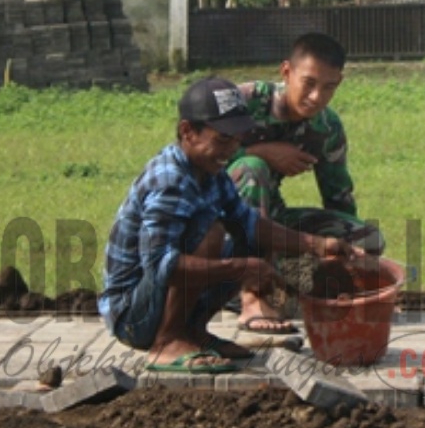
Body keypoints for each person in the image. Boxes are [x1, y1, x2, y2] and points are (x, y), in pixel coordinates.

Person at [98, 77, 365, 373]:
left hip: (154, 302)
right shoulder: (170, 181)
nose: (232, 149)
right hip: (132, 318)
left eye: (238, 139)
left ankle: (193, 333)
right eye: (223, 139)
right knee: (211, 231)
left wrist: (318, 245)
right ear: (188, 131)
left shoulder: (210, 171)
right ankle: (167, 341)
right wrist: (242, 268)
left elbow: (250, 223)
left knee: (251, 236)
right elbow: (162, 264)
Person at [227, 32, 384, 332]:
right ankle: (253, 296)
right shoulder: (244, 102)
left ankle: (292, 288)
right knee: (252, 168)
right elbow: (193, 156)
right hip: (217, 225)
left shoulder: (326, 127)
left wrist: (347, 256)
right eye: (308, 83)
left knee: (367, 239)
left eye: (328, 88)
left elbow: (338, 197)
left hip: (270, 217)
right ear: (286, 72)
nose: (316, 97)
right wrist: (259, 151)